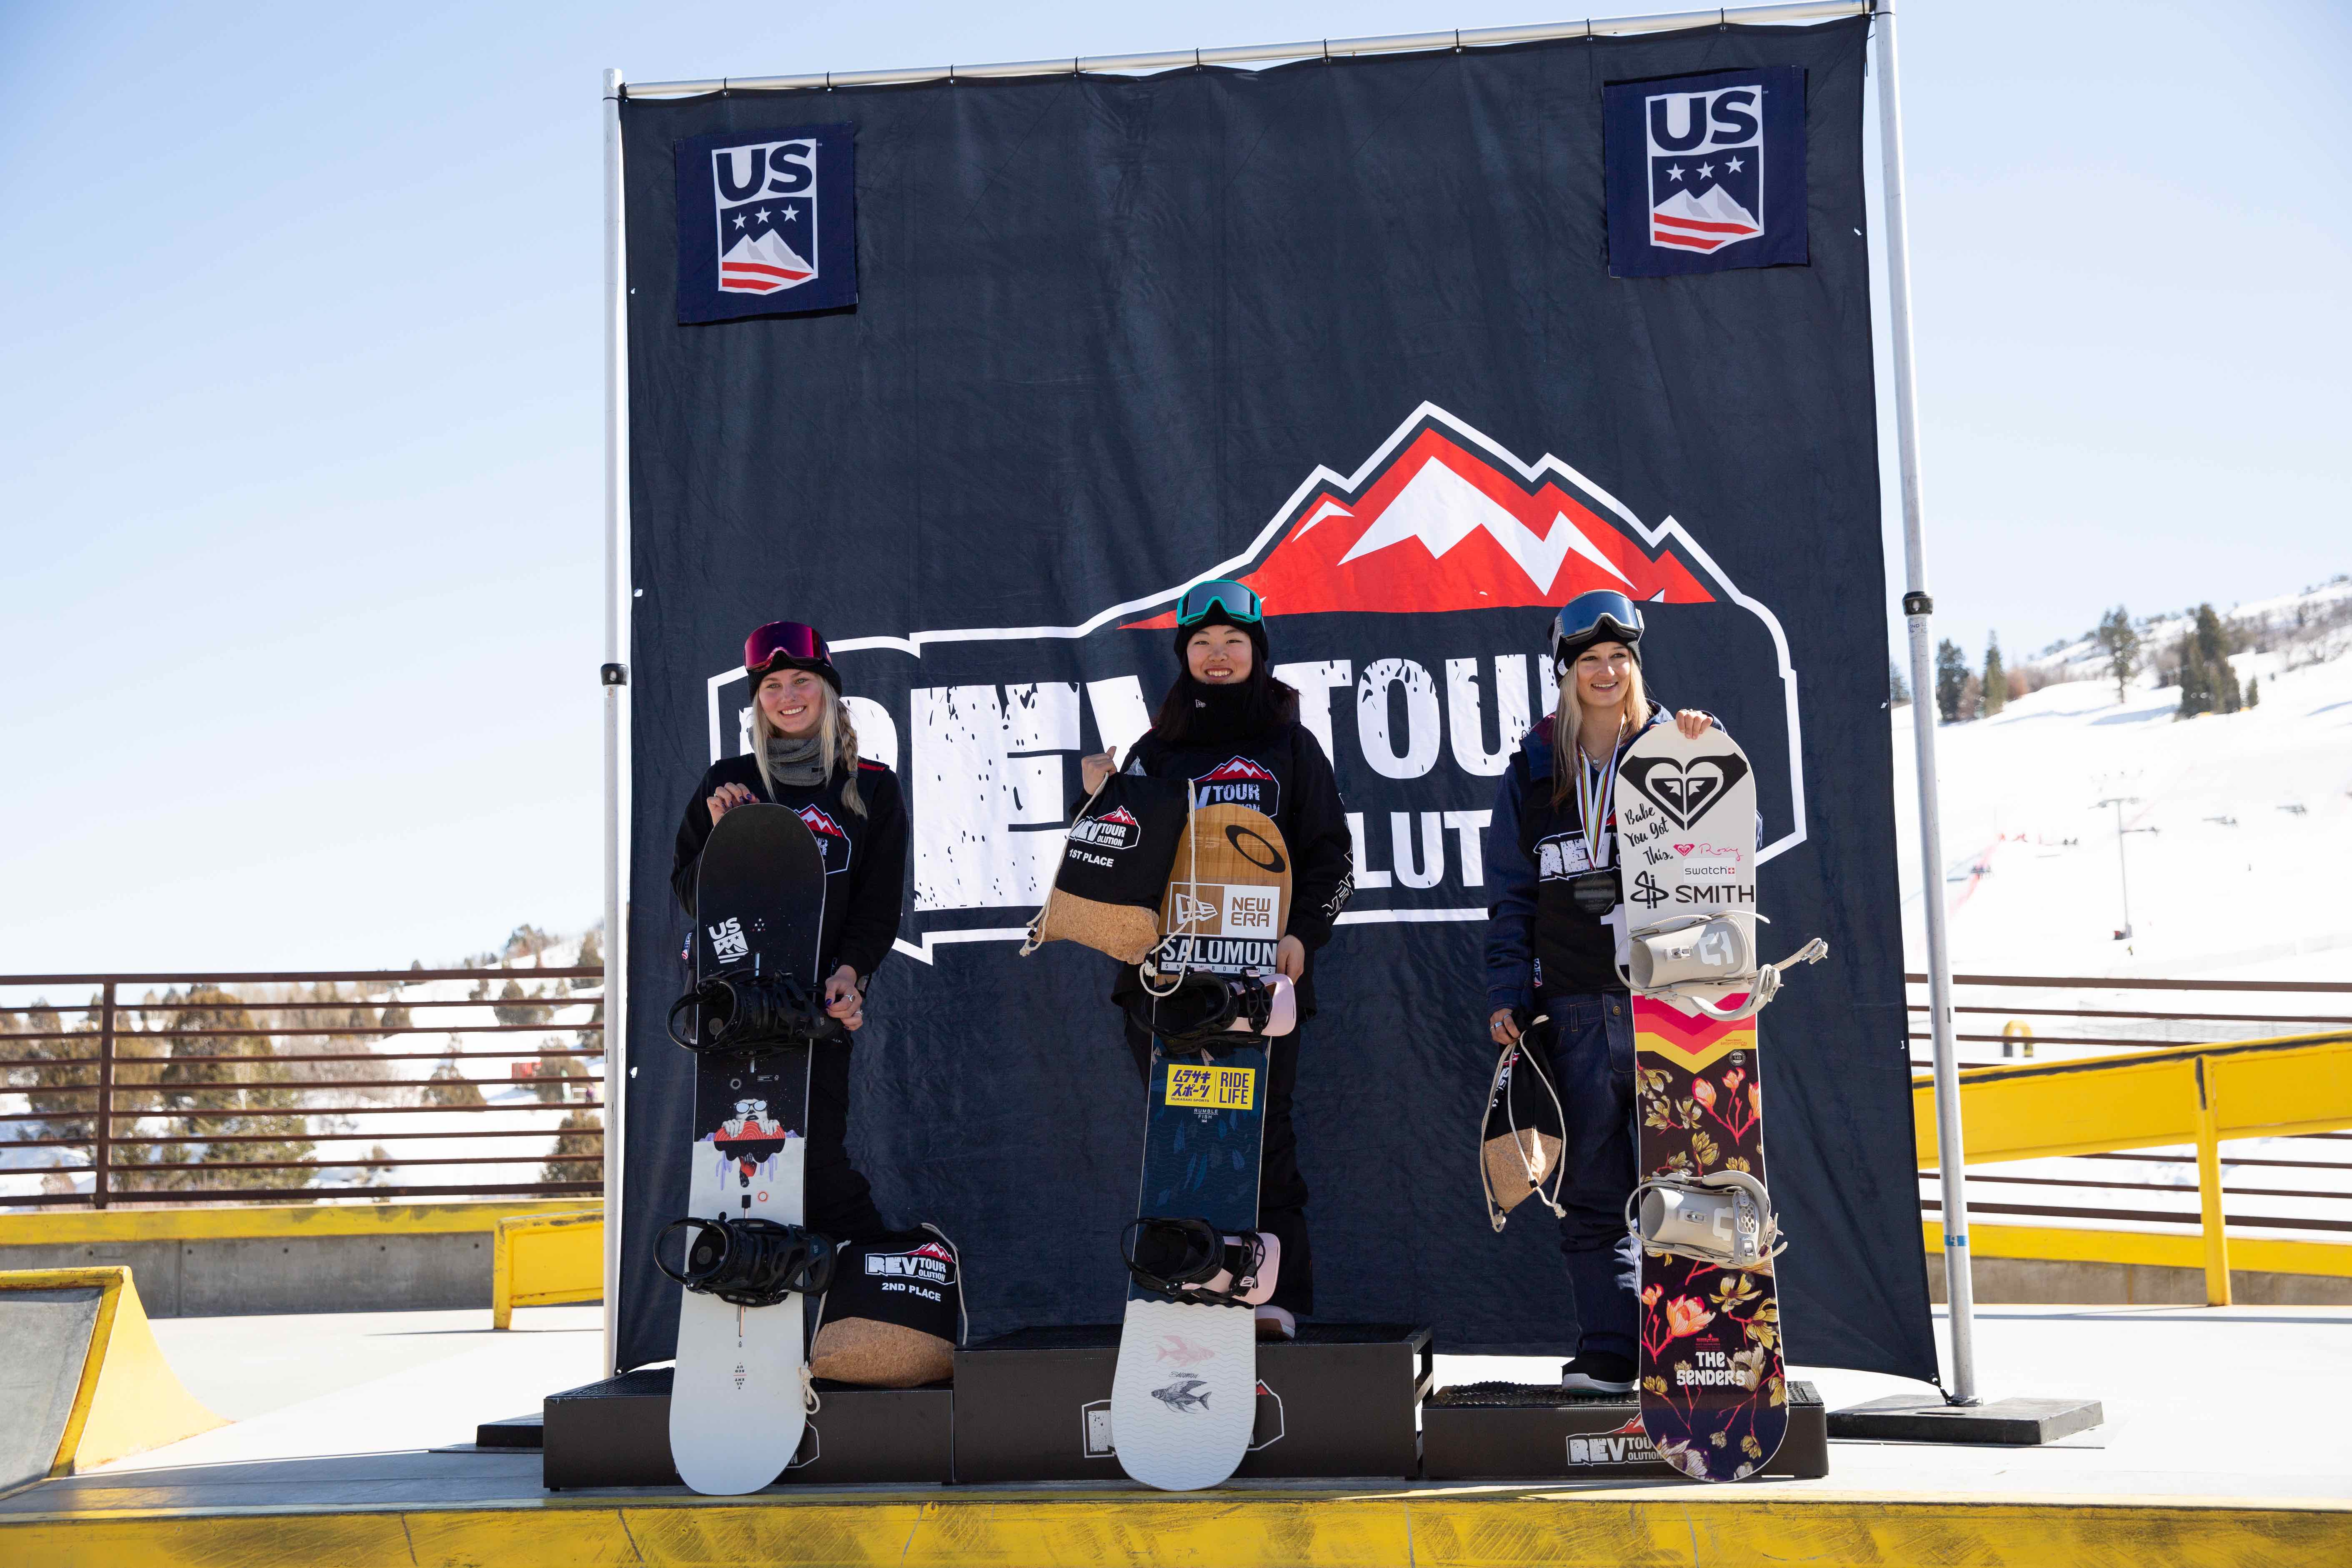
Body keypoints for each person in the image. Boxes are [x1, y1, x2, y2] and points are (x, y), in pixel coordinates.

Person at [1076, 580, 1354, 1339]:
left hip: (1261, 981)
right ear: (1184, 657)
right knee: (1184, 1134)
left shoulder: (1291, 747)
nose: (1218, 655)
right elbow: (1114, 871)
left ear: (1258, 654)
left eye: (1234, 643)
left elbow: (1334, 859)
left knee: (1266, 1137)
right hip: (1166, 981)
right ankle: (1188, 1288)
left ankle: (1273, 1296)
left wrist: (1304, 936)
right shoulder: (1153, 751)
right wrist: (1105, 801)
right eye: (1202, 643)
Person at [1481, 589, 1718, 1393]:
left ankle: (1696, 1347)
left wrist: (1705, 757)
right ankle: (1613, 1349)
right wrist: (1508, 991)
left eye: (1620, 659)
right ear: (1566, 673)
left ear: (1637, 667)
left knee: (1688, 1183)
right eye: (1590, 661)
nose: (1607, 672)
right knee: (1590, 1192)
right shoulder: (1533, 769)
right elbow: (1511, 894)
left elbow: (1734, 849)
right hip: (1575, 1008)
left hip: (1671, 1005)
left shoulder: (1675, 746)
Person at [671, 619, 910, 1246]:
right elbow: (692, 896)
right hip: (737, 1006)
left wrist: (849, 976)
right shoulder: (728, 782)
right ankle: (746, 1284)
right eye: (772, 685)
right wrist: (726, 842)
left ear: (828, 690)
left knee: (817, 1159)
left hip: (817, 1004)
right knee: (738, 1162)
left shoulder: (874, 788)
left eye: (802, 680)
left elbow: (879, 906)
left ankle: (866, 1301)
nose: (789, 696)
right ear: (758, 701)